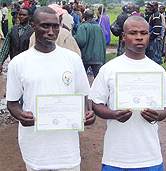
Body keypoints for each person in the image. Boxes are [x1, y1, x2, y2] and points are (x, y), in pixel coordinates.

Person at [6, 6, 95, 171]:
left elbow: (83, 95)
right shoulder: (18, 63)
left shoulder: (73, 59)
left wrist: (88, 113)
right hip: (35, 148)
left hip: (67, 150)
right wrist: (21, 115)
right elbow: (12, 103)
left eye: (55, 26)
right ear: (33, 27)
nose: (51, 31)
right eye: (45, 26)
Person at [89, 16, 166, 171]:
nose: (139, 37)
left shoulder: (158, 71)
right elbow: (96, 103)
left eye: (144, 33)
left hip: (150, 157)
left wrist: (158, 115)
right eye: (133, 33)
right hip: (116, 158)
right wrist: (113, 114)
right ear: (123, 37)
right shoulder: (109, 69)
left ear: (149, 36)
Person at [0, 7, 33, 74]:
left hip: (27, 66)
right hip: (14, 64)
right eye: (20, 14)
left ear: (29, 17)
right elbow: (6, 47)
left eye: (24, 15)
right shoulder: (13, 29)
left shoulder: (32, 32)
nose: (21, 17)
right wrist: (0, 62)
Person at [75, 10, 106, 78]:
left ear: (84, 17)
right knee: (98, 80)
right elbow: (103, 43)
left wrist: (75, 39)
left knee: (81, 79)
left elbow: (80, 41)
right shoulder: (98, 28)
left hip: (85, 57)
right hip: (98, 58)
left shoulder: (83, 27)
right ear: (93, 17)